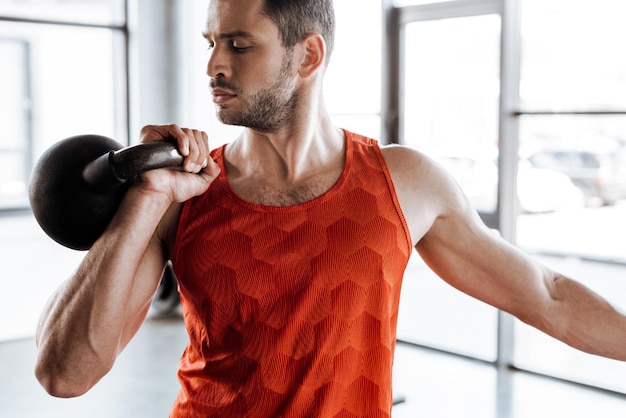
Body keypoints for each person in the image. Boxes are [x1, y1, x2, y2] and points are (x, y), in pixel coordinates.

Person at [35, 0, 626, 416]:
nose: (214, 65)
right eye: (212, 42)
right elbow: (64, 374)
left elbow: (546, 295)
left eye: (239, 45)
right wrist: (146, 199)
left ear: (309, 56)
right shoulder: (184, 192)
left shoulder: (406, 183)